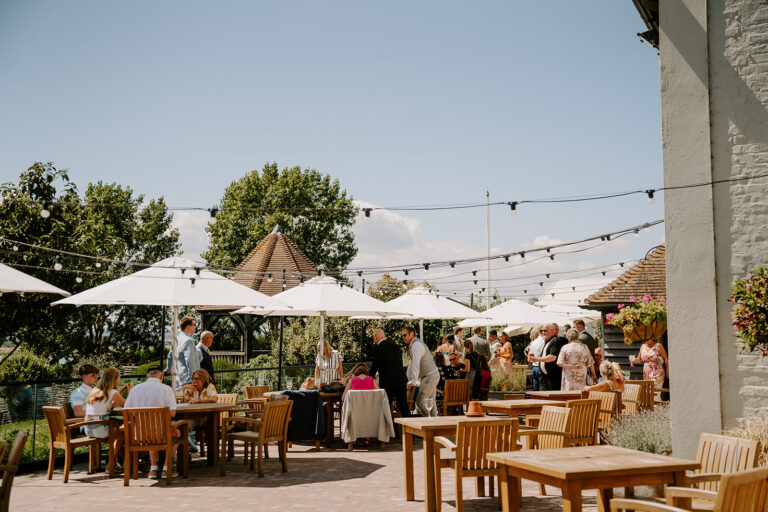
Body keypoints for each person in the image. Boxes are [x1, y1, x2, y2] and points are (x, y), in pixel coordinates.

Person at [124, 367, 180, 479]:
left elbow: (127, 410)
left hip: (139, 435)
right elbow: (172, 413)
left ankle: (153, 469)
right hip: (162, 434)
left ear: (147, 377)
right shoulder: (166, 389)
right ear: (161, 377)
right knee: (177, 433)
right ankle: (166, 468)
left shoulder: (135, 390)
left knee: (150, 430)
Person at [84, 368, 131, 461]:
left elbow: (112, 405)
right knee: (126, 433)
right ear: (114, 379)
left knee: (121, 426)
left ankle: (121, 461)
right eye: (119, 379)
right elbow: (128, 405)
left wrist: (122, 390)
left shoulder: (95, 391)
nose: (119, 381)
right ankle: (113, 462)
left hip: (88, 429)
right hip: (99, 429)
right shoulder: (112, 392)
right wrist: (130, 391)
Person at [369, 328, 410, 419]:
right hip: (400, 381)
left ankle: (388, 427)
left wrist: (368, 379)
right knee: (403, 406)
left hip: (387, 383)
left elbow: (374, 368)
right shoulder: (396, 346)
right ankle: (411, 427)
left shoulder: (378, 349)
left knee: (385, 407)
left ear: (375, 337)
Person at [403, 325, 439, 417]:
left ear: (411, 334)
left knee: (420, 402)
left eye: (404, 335)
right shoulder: (414, 344)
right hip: (431, 375)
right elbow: (411, 364)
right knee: (431, 404)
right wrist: (407, 379)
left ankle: (430, 419)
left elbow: (416, 364)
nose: (403, 337)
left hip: (430, 376)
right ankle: (434, 422)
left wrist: (413, 381)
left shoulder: (416, 345)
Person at [529, 323, 567, 390]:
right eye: (542, 331)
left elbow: (553, 357)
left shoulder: (555, 341)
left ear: (552, 331)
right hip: (544, 374)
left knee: (552, 394)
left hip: (552, 375)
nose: (543, 332)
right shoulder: (547, 340)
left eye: (545, 330)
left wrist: (537, 359)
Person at [165, 315, 200, 387]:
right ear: (188, 327)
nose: (195, 327)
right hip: (188, 380)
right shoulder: (189, 340)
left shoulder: (176, 339)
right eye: (194, 325)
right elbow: (190, 361)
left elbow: (170, 356)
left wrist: (168, 370)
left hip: (177, 379)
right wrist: (194, 379)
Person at [527, 326, 546, 391]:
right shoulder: (544, 341)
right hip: (540, 366)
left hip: (534, 367)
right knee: (542, 388)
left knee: (536, 388)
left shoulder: (533, 342)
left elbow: (530, 357)